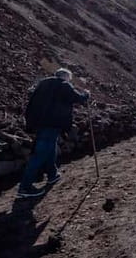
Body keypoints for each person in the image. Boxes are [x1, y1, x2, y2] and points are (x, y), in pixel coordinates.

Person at [19, 68, 89, 198]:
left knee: (50, 148)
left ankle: (52, 174)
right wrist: (86, 95)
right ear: (65, 77)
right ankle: (25, 187)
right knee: (40, 154)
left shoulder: (42, 84)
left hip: (38, 122)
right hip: (51, 123)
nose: (70, 82)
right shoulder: (63, 84)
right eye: (70, 79)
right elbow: (76, 98)